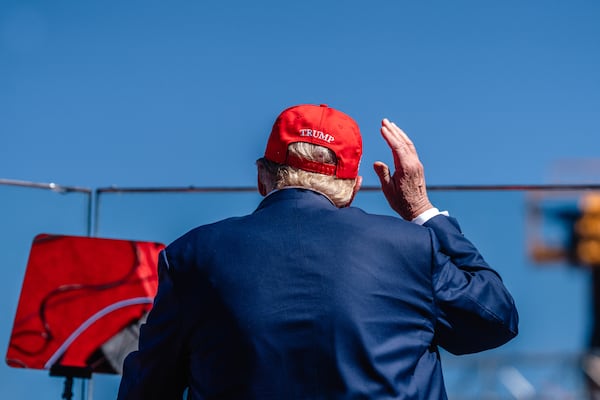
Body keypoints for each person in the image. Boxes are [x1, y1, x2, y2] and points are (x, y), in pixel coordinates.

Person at [117, 104, 519, 399]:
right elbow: (495, 319)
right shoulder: (412, 248)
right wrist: (422, 211)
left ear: (262, 176)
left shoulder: (192, 254)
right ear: (353, 186)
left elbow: (148, 390)